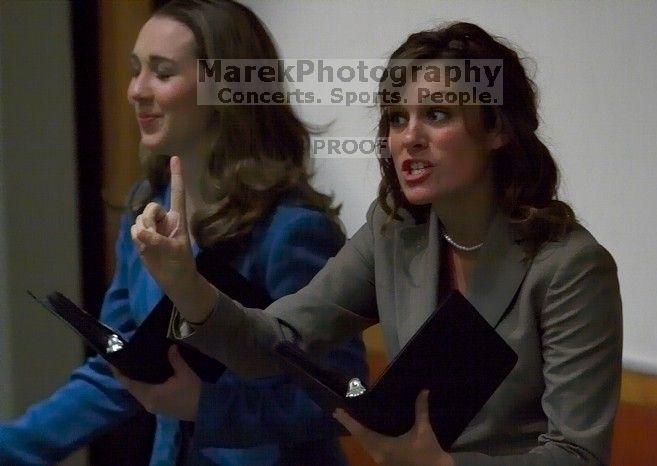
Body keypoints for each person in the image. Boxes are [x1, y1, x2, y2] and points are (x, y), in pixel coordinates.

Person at [131, 22, 623, 466]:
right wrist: (185, 283)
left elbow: (577, 454)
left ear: (496, 128)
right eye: (396, 118)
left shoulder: (570, 267)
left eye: (436, 114)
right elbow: (277, 342)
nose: (409, 137)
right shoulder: (393, 233)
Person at [0, 1, 367, 465]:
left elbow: (342, 400)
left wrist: (206, 406)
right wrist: (12, 447)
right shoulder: (144, 207)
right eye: (136, 70)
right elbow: (119, 370)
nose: (136, 90)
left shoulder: (292, 232)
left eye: (163, 72)